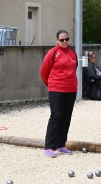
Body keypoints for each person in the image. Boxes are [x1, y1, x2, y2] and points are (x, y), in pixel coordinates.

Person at [40, 30, 77, 158]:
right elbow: (44, 72)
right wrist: (51, 84)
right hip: (56, 88)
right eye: (62, 40)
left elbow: (73, 68)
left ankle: (61, 144)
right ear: (57, 40)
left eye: (66, 39)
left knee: (66, 117)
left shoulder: (73, 53)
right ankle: (49, 146)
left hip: (71, 89)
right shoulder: (52, 53)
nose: (65, 42)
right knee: (56, 116)